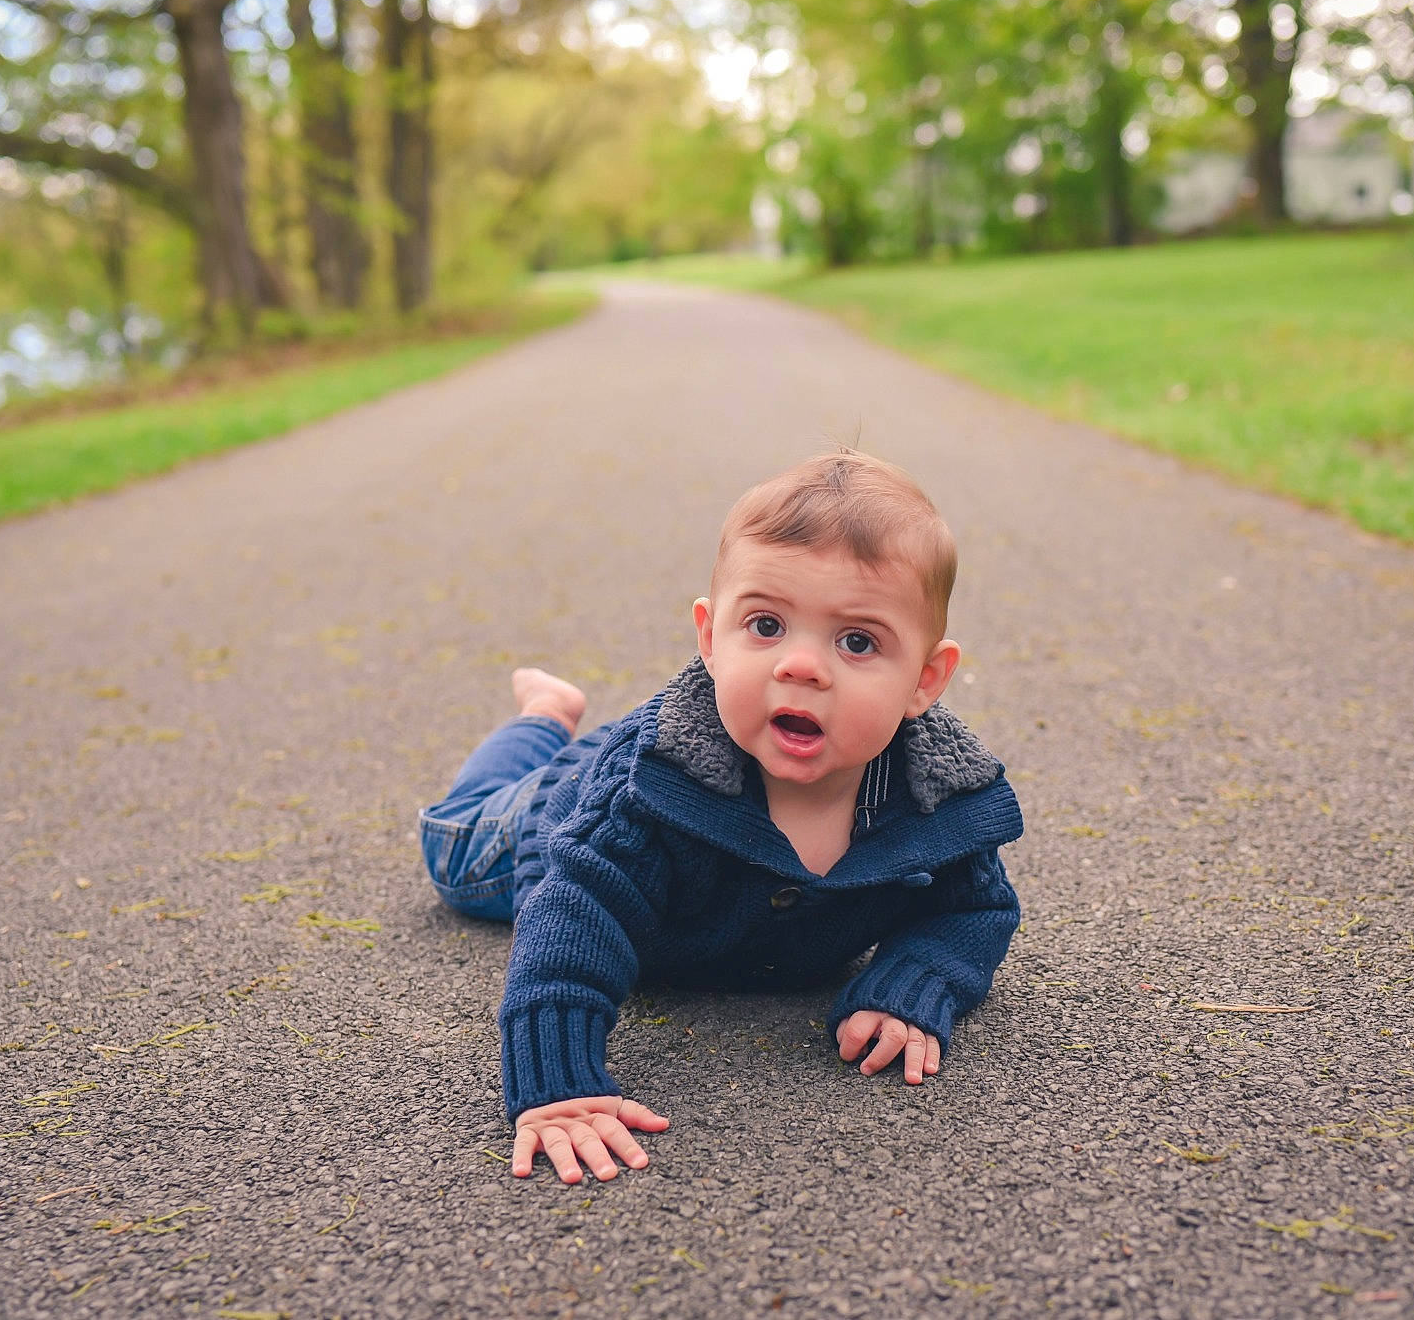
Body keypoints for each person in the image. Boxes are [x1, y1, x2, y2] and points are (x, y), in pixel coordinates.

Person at [418, 449, 1024, 1184]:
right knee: (453, 846)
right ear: (710, 639)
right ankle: (545, 718)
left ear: (925, 679)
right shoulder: (634, 810)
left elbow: (976, 909)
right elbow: (572, 921)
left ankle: (564, 719)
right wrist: (559, 1087)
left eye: (857, 641)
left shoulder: (937, 803)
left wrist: (916, 984)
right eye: (766, 625)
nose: (801, 666)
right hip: (553, 814)